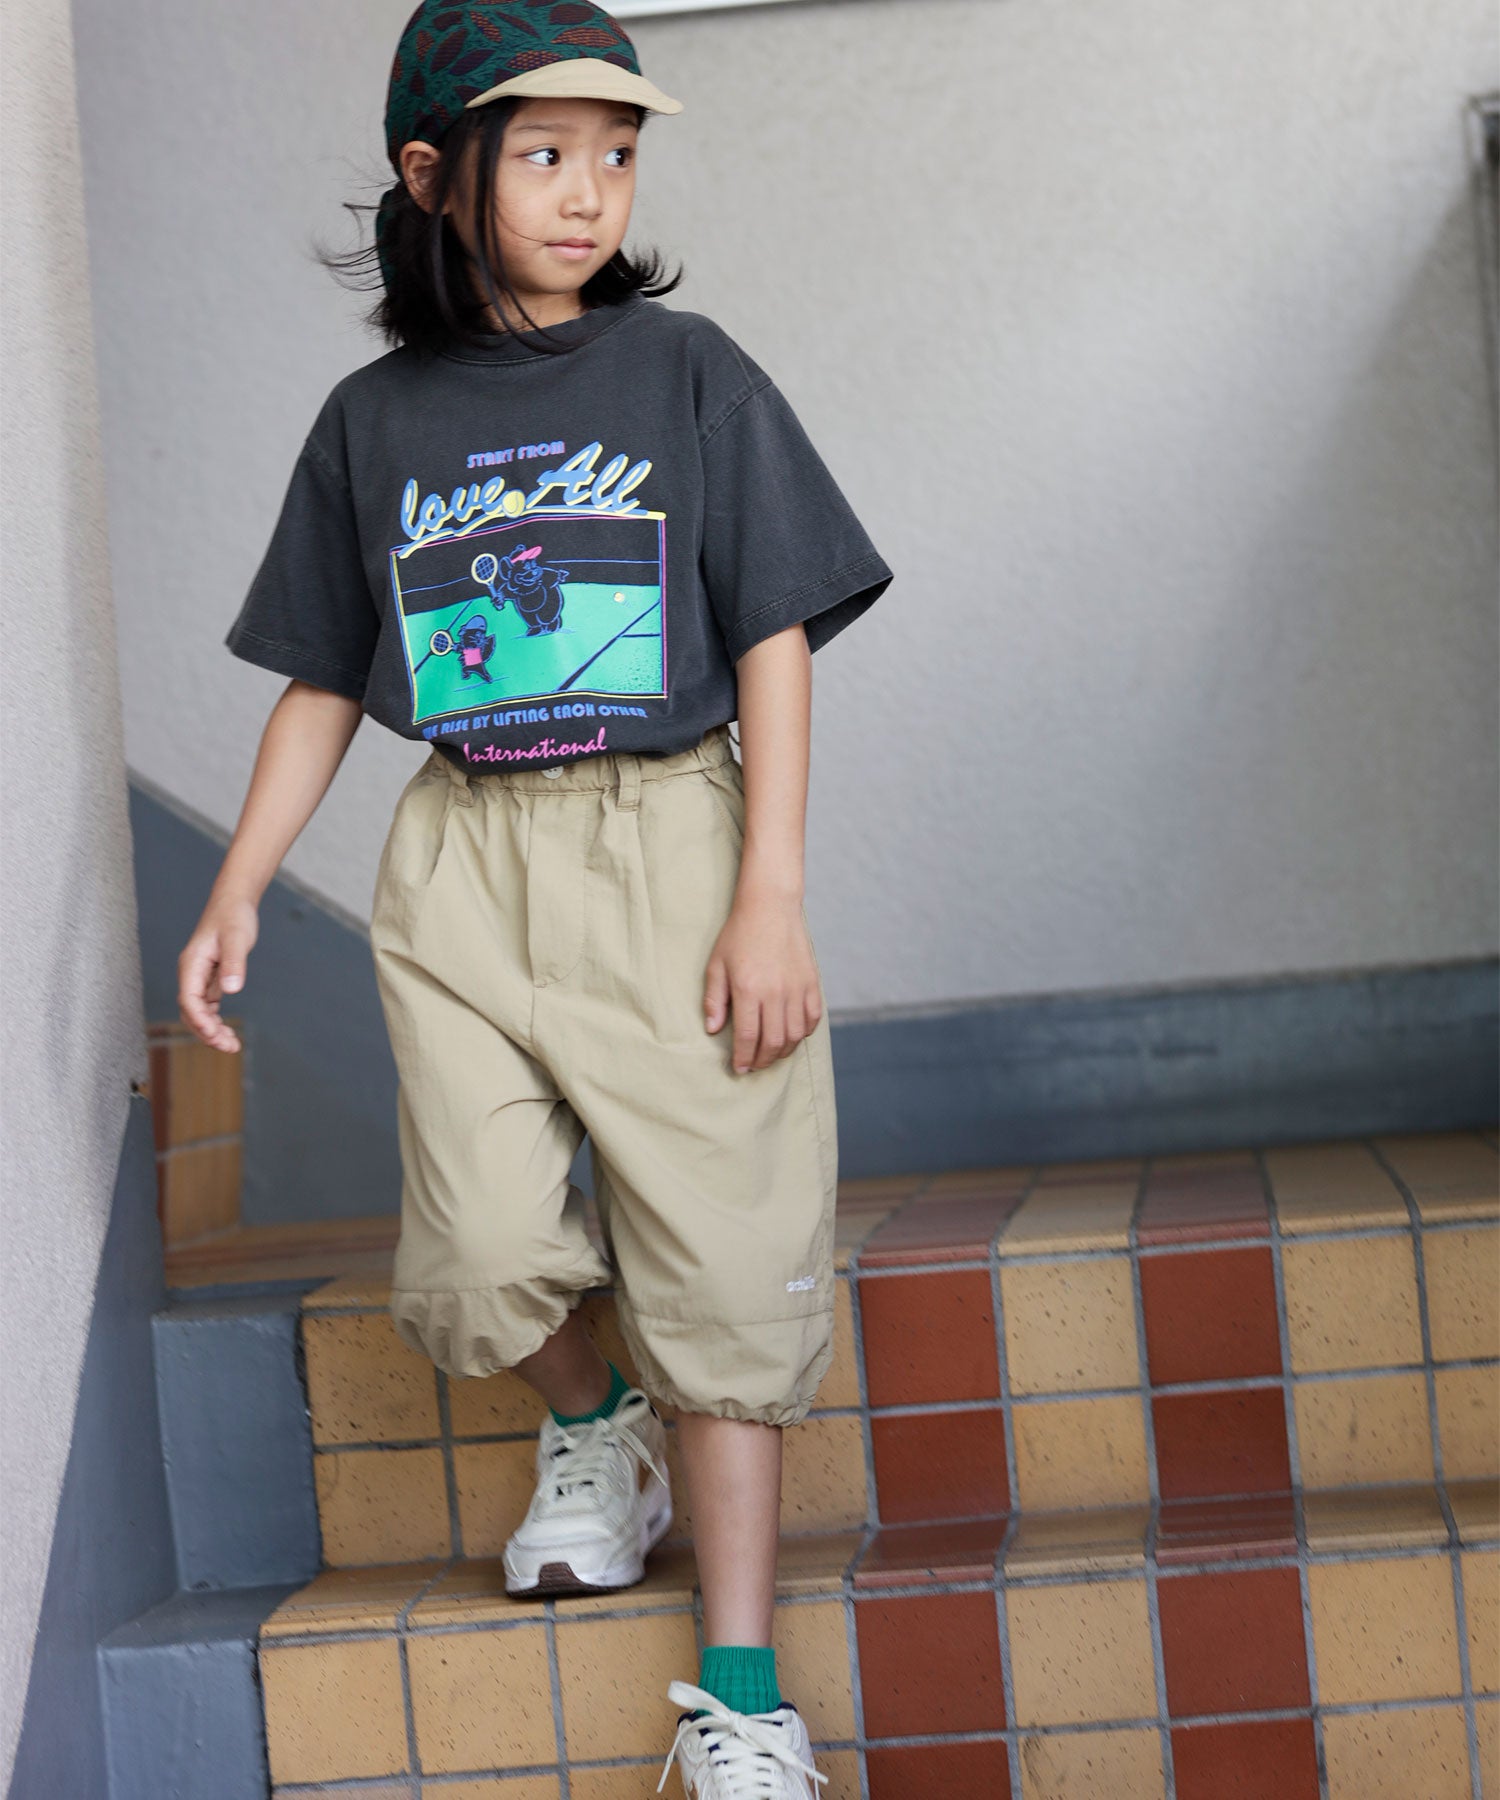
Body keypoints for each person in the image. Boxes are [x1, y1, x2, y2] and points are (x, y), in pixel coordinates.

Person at [177, 5, 893, 1794]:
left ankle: (744, 1698)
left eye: (618, 155)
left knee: (722, 1268)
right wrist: (238, 885)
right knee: (483, 1249)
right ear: (435, 177)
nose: (591, 193)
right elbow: (324, 676)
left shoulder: (689, 372)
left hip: (677, 845)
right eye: (548, 153)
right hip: (466, 863)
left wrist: (773, 890)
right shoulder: (372, 421)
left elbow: (774, 632)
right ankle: (596, 1416)